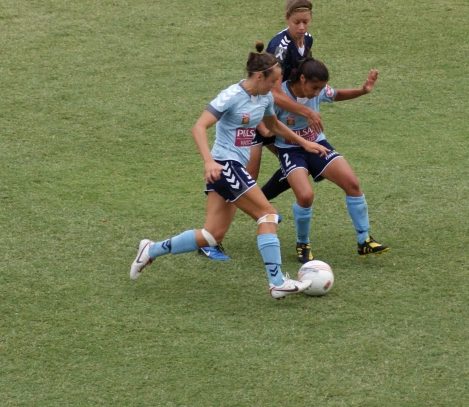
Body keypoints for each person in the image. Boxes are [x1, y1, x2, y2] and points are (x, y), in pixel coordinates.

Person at [130, 42, 329, 299]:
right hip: (224, 165)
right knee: (267, 215)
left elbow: (274, 126)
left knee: (212, 235)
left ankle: (150, 249)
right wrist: (208, 161)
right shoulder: (230, 96)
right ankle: (277, 281)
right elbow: (198, 127)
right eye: (273, 81)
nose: (276, 87)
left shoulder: (265, 97)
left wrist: (304, 143)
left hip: (231, 168)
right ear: (259, 77)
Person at [199, 0, 321, 261]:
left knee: (290, 161)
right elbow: (275, 91)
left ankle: (222, 228)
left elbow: (289, 86)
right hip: (257, 120)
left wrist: (301, 135)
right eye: (296, 22)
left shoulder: (306, 41)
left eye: (306, 21)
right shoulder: (278, 49)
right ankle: (215, 235)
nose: (302, 27)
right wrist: (305, 112)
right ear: (286, 18)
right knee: (250, 178)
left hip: (269, 116)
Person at [272, 57, 389, 263]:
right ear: (302, 79)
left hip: (318, 145)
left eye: (320, 88)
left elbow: (335, 94)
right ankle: (303, 243)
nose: (317, 93)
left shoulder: (318, 91)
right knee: (306, 196)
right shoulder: (280, 95)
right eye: (314, 87)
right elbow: (268, 126)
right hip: (290, 150)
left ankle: (364, 240)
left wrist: (363, 90)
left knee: (352, 183)